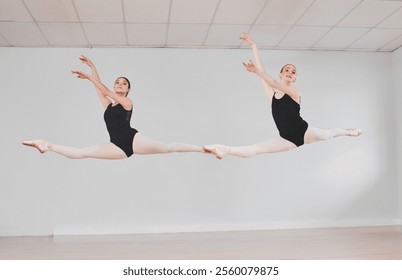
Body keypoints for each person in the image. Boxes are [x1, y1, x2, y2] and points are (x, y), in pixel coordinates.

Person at [204, 34, 362, 159]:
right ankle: (224, 149)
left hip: (304, 131)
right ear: (281, 74)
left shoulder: (295, 93)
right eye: (287, 70)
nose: (290, 72)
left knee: (329, 134)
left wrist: (257, 71)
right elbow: (263, 76)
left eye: (293, 72)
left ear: (294, 79)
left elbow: (271, 81)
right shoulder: (271, 95)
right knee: (256, 149)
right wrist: (254, 46)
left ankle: (349, 132)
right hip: (287, 139)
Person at [22, 55, 206, 159]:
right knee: (82, 153)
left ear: (128, 90)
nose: (119, 85)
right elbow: (100, 89)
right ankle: (47, 145)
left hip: (133, 139)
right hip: (116, 146)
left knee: (167, 148)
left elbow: (104, 89)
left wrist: (89, 76)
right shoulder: (109, 106)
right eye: (117, 82)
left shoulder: (127, 103)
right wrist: (92, 68)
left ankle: (202, 149)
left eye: (123, 83)